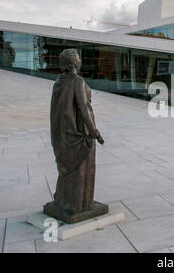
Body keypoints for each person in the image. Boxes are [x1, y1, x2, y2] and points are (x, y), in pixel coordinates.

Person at [47, 49, 105, 221]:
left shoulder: (58, 82)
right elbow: (83, 108)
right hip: (81, 133)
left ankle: (65, 201)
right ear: (73, 63)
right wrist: (94, 132)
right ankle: (79, 204)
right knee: (81, 168)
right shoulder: (77, 81)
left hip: (65, 133)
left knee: (69, 169)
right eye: (78, 57)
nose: (80, 60)